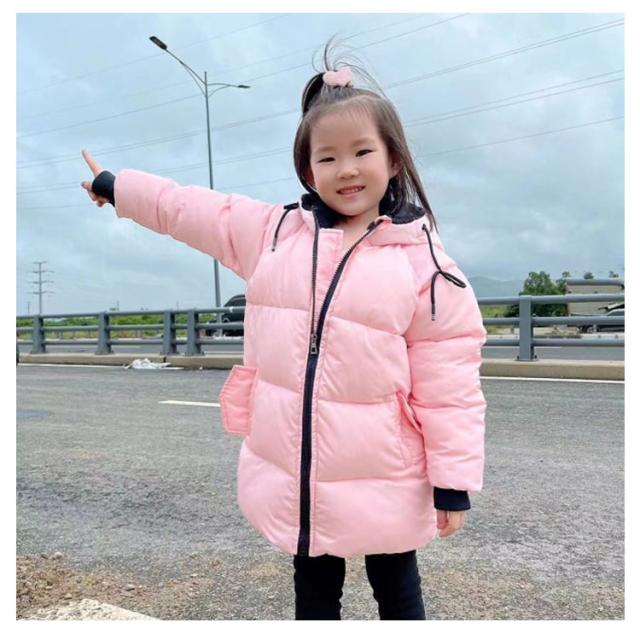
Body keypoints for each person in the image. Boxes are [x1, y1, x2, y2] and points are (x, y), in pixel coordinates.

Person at [81, 38, 487, 621]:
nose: (347, 169)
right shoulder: (274, 236)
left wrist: (452, 481)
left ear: (394, 159)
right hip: (303, 472)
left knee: (397, 588)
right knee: (313, 593)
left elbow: (450, 387)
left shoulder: (426, 265)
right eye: (328, 157)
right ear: (307, 169)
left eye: (362, 152)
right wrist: (118, 187)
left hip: (387, 467)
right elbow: (190, 209)